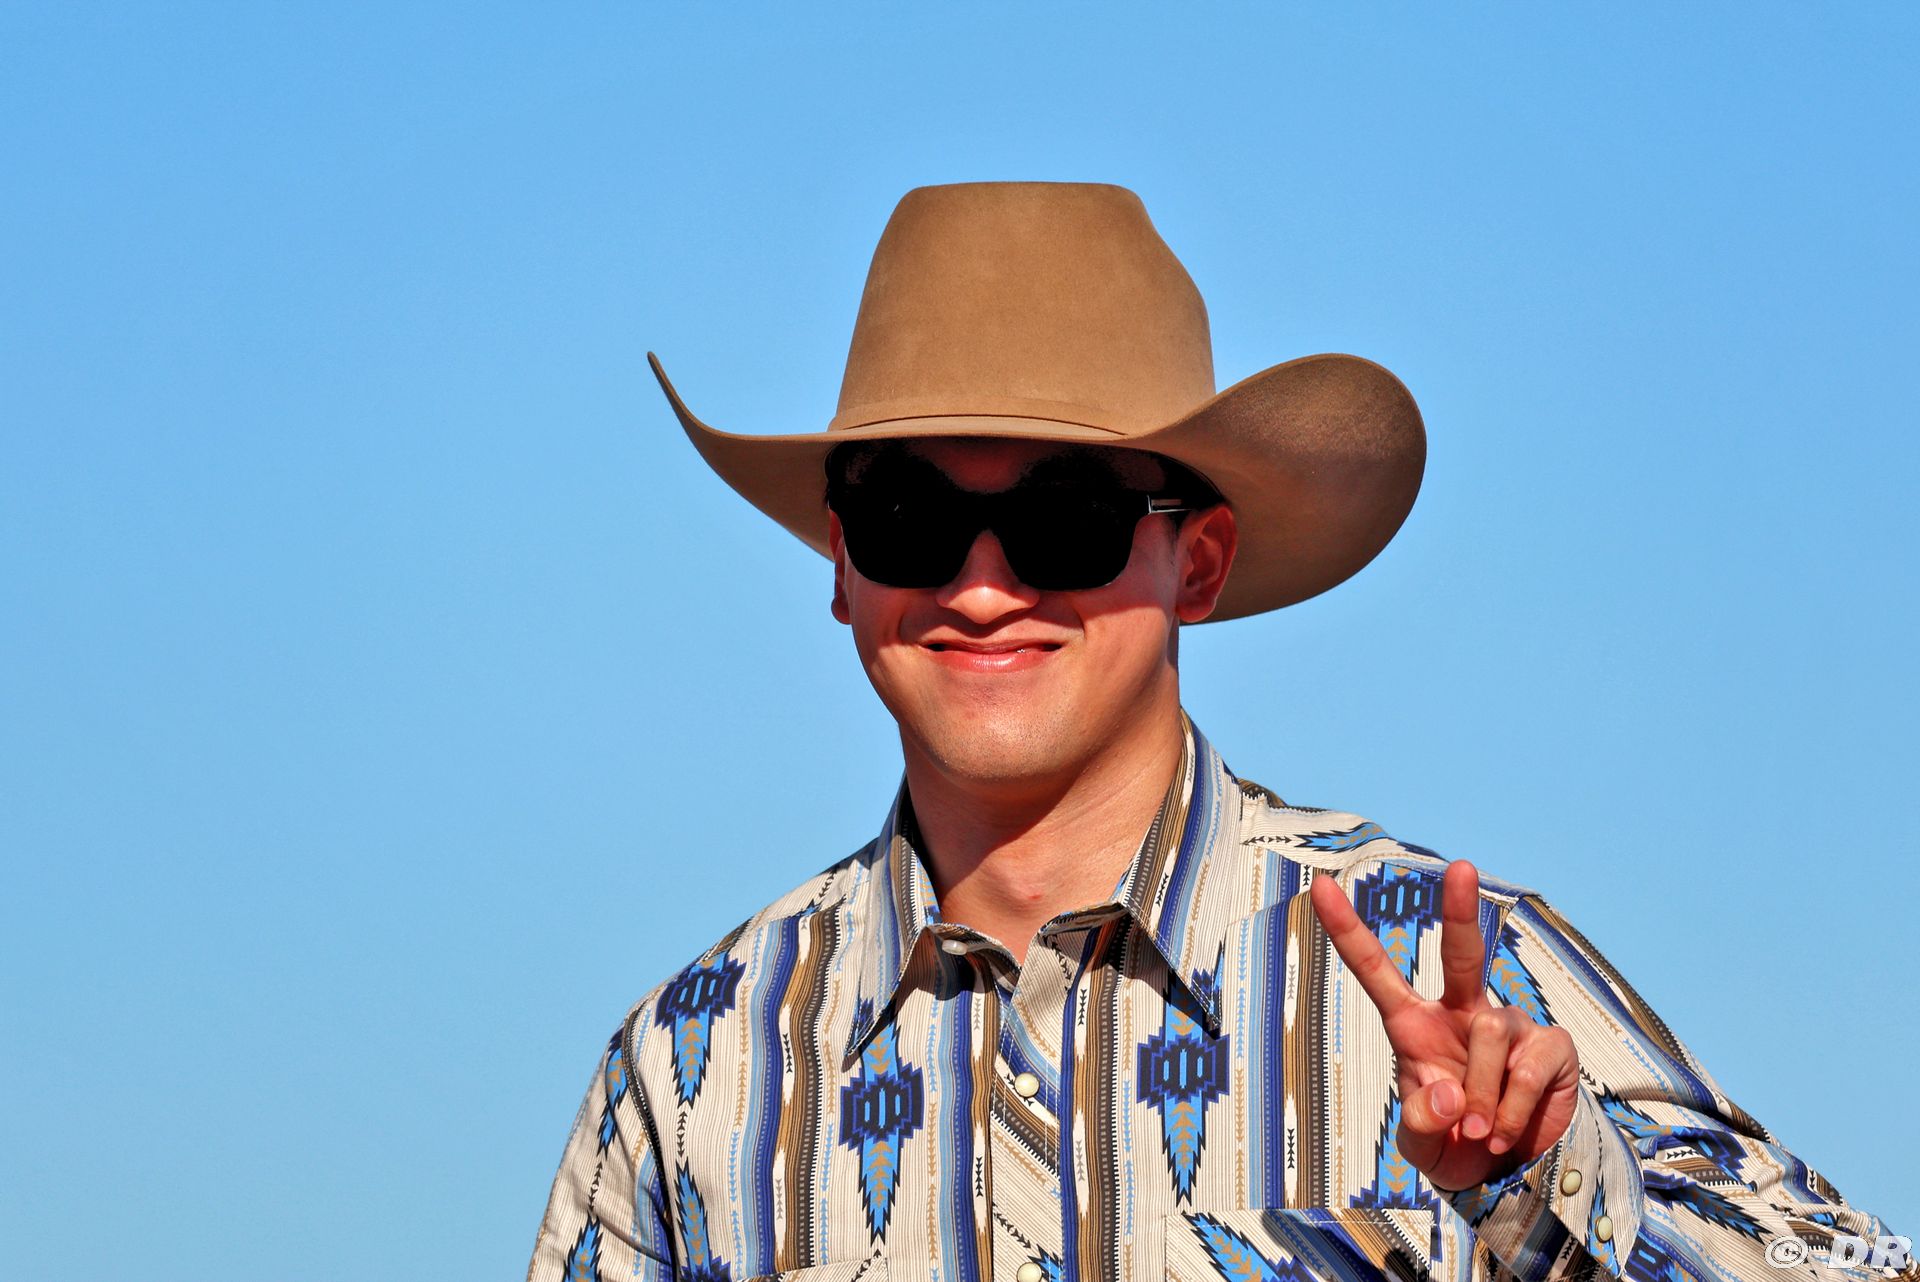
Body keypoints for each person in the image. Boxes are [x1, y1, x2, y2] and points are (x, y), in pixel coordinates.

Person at [526, 183, 1905, 1282]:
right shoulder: (689, 1069)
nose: (983, 585)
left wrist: (1547, 1188)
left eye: (1066, 518)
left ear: (1199, 560)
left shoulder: (1450, 969)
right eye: (908, 516)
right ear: (840, 563)